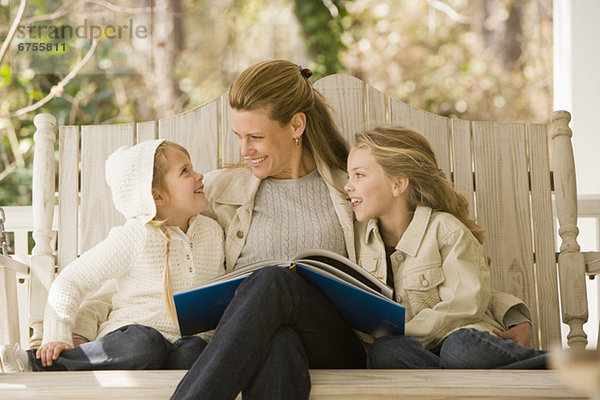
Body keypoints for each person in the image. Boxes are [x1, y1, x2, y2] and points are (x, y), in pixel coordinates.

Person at [170, 59, 366, 400]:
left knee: (273, 280)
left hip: (334, 344)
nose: (244, 150)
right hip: (256, 342)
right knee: (279, 342)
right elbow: (145, 238)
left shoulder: (350, 190)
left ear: (296, 125)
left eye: (256, 137)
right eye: (239, 136)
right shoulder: (220, 190)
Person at [0, 139, 225, 373]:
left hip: (182, 347)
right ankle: (37, 363)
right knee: (147, 344)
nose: (200, 176)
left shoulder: (212, 232)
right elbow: (71, 280)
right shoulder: (136, 235)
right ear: (156, 196)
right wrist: (58, 335)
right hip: (132, 341)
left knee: (196, 350)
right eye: (185, 171)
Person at [345, 126, 547, 369]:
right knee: (384, 352)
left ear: (398, 184)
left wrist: (404, 330)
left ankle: (554, 364)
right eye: (349, 176)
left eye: (359, 175)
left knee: (460, 349)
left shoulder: (446, 231)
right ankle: (457, 381)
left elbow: (466, 305)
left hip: (460, 336)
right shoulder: (357, 239)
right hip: (418, 354)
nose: (348, 186)